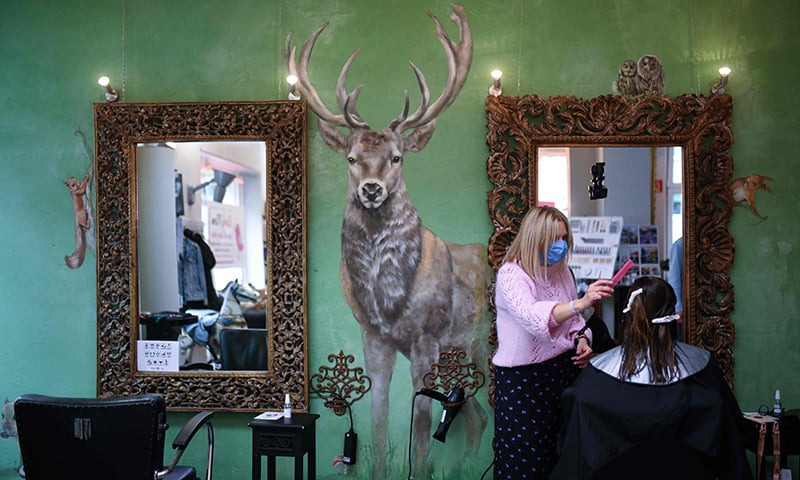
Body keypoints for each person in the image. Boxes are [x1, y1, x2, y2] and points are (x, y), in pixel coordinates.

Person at [551, 276, 753, 480]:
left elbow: (574, 453)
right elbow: (730, 439)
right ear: (674, 315)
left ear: (628, 315)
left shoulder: (592, 385)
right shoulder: (703, 373)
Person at [492, 206, 614, 479]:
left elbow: (574, 322)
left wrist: (582, 339)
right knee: (525, 458)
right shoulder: (512, 276)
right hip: (523, 381)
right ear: (534, 239)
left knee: (561, 453)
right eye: (553, 239)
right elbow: (532, 318)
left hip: (562, 373)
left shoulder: (562, 272)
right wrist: (580, 302)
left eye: (563, 239)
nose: (559, 246)